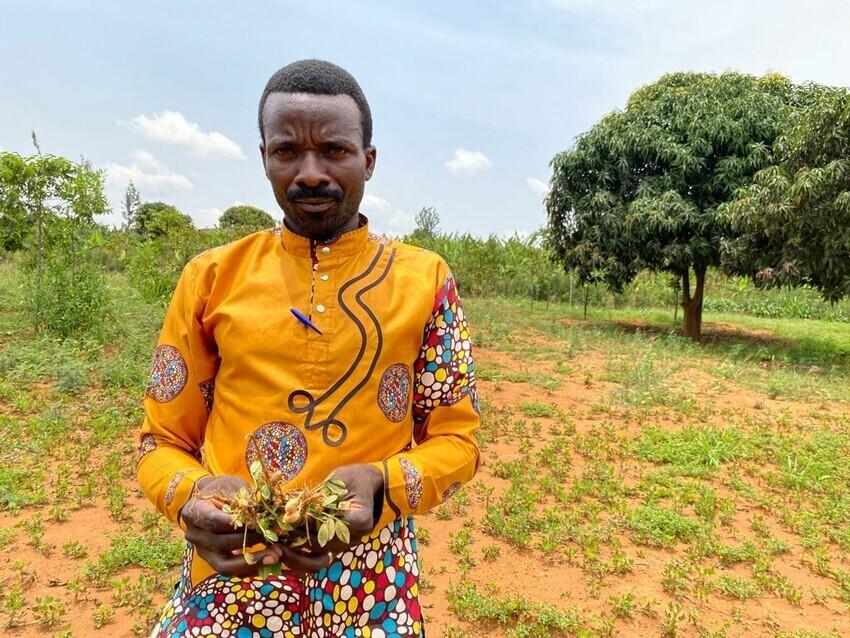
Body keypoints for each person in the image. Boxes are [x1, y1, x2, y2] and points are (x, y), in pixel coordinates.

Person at [137, 59, 481, 638]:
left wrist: (381, 485)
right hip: (234, 577)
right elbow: (161, 441)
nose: (311, 172)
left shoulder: (425, 280)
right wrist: (193, 496)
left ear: (368, 160)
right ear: (265, 157)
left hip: (372, 580)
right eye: (288, 151)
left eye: (335, 151)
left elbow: (457, 441)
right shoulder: (211, 277)